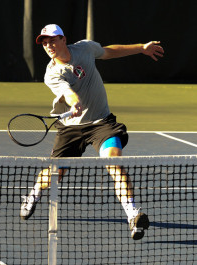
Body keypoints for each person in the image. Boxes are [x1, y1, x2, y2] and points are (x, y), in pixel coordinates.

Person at [20, 24, 164, 240]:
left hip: (101, 123)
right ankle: (34, 194)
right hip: (71, 128)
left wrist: (141, 48)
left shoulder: (85, 49)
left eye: (52, 40)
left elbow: (109, 51)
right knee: (55, 175)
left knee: (115, 163)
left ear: (63, 39)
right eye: (44, 42)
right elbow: (68, 93)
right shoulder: (51, 74)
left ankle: (133, 216)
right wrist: (75, 102)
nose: (48, 45)